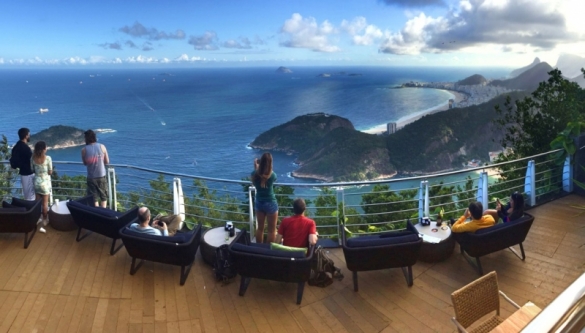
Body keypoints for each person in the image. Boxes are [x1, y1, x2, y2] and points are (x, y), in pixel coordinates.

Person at [251, 152, 278, 243]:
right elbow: (271, 177)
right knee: (271, 230)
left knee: (260, 229)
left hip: (259, 202)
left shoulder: (254, 174)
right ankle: (268, 251)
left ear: (260, 162)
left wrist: (256, 169)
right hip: (270, 202)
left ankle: (259, 249)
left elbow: (255, 181)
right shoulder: (272, 175)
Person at [81, 130, 110, 208]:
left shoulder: (84, 150)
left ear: (86, 139)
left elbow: (85, 163)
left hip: (91, 177)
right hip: (101, 175)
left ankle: (96, 213)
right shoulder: (102, 146)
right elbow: (107, 162)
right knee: (103, 196)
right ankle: (103, 213)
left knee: (94, 198)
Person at [31, 141, 52, 233]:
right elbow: (50, 172)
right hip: (45, 183)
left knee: (37, 203)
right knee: (45, 204)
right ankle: (44, 220)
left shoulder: (33, 158)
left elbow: (32, 169)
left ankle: (37, 218)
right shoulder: (47, 158)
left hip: (36, 182)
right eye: (46, 147)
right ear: (44, 149)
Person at [10, 128, 35, 200]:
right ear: (26, 136)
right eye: (29, 134)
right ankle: (32, 210)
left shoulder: (16, 146)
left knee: (27, 194)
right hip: (28, 173)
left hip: (23, 173)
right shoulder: (26, 148)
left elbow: (14, 160)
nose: (29, 136)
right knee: (31, 196)